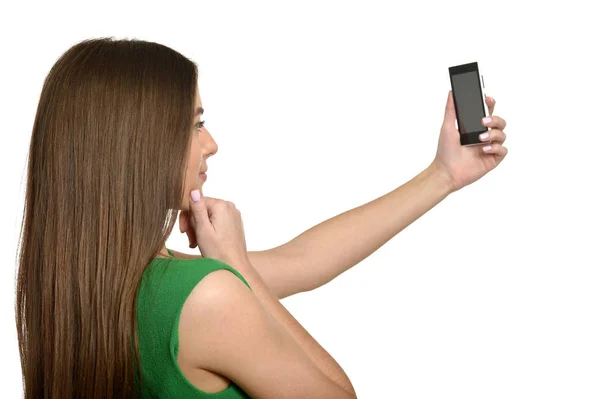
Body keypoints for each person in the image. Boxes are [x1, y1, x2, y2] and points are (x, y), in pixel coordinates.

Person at [15, 36, 508, 399]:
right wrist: (239, 272)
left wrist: (443, 175)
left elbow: (305, 259)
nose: (211, 143)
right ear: (136, 147)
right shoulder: (207, 296)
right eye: (195, 124)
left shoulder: (82, 285)